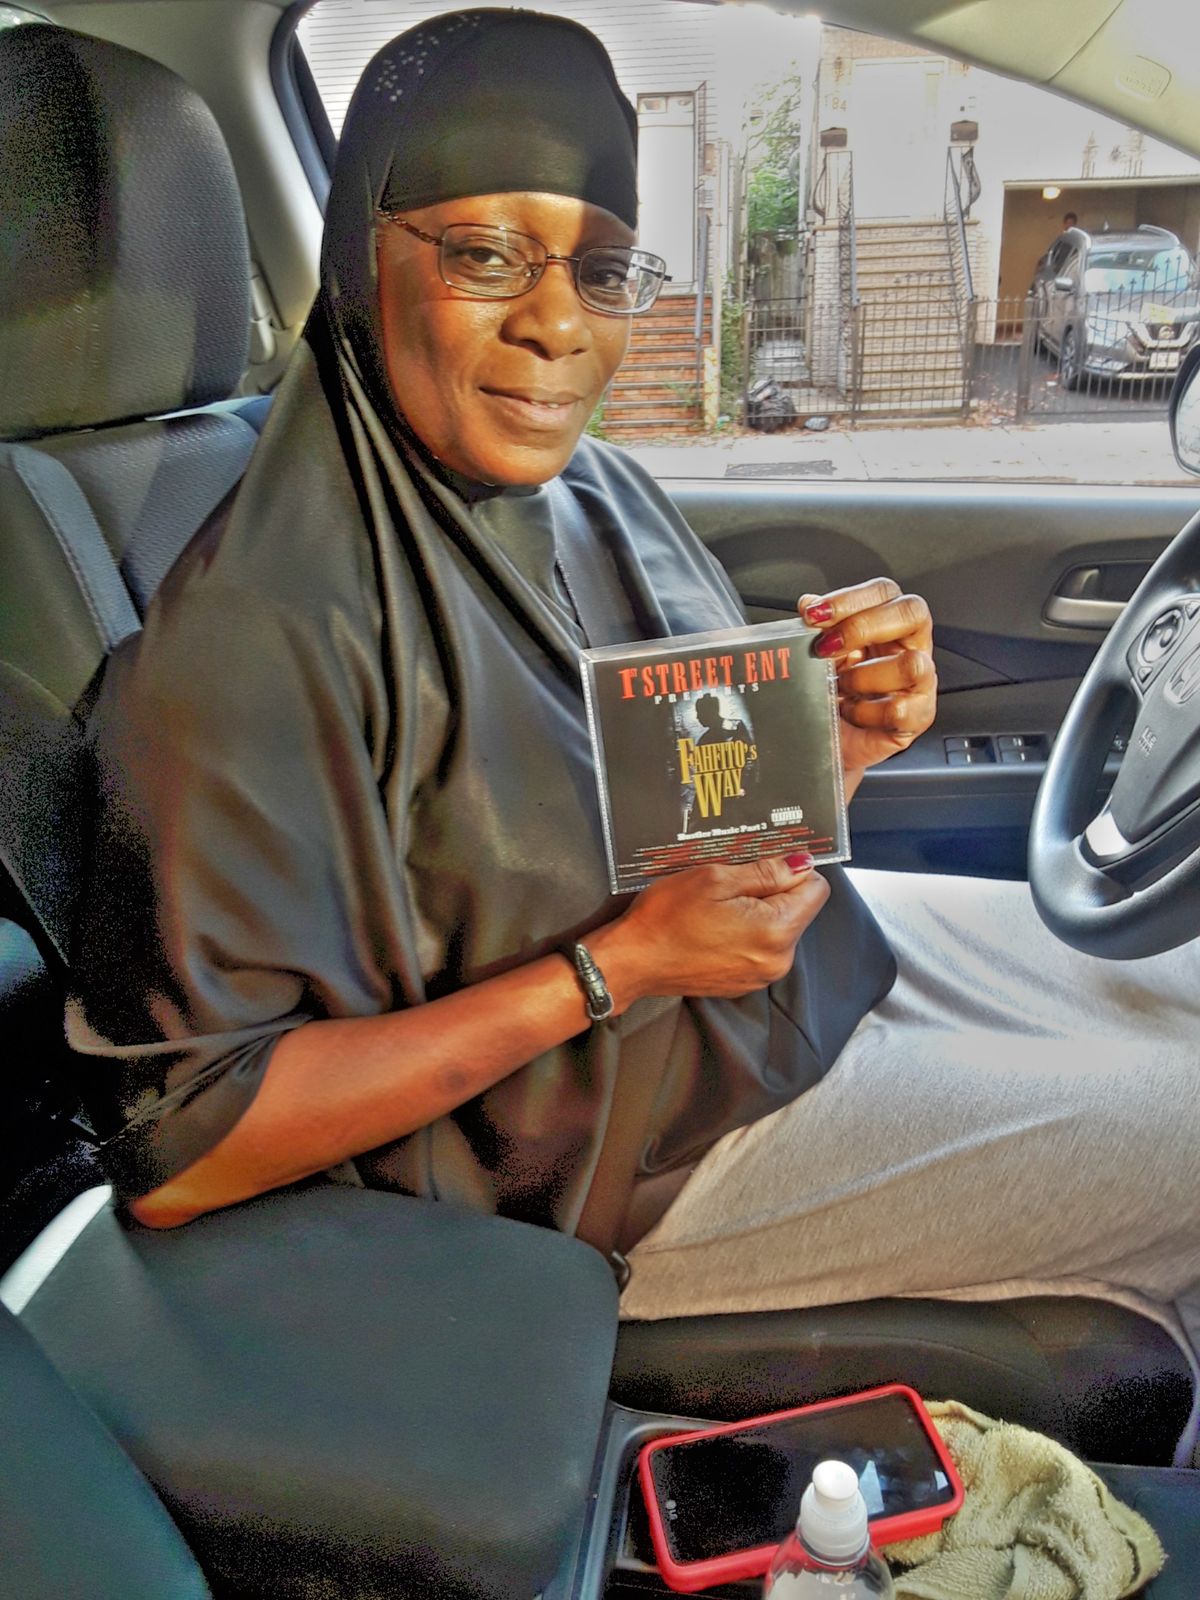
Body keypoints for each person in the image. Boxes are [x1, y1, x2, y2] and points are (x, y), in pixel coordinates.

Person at [72, 12, 1198, 1377]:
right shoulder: (252, 636)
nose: (556, 325)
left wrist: (835, 750)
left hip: (771, 985)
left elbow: (672, 808)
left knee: (1180, 975)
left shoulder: (588, 492)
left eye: (602, 271)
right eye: (486, 255)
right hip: (617, 1156)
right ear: (365, 258)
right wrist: (620, 967)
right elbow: (188, 1148)